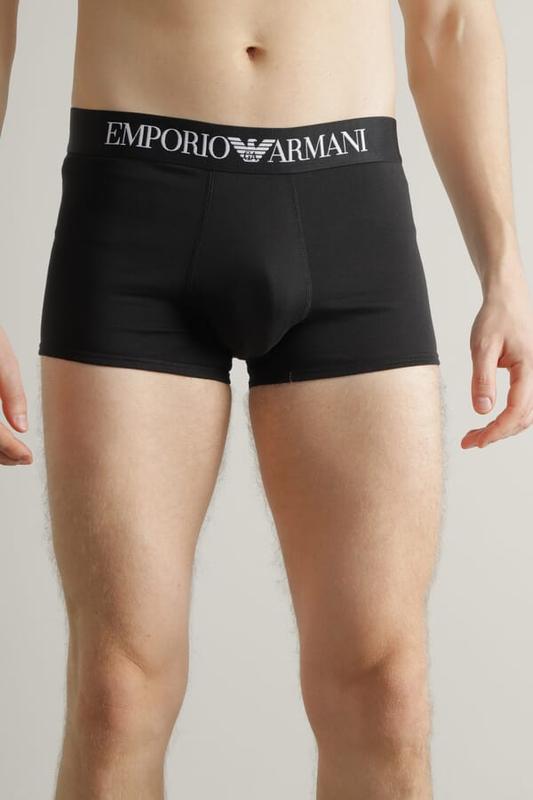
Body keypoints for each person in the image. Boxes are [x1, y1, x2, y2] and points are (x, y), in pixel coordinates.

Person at [1, 1, 532, 798]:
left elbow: (450, 19)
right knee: (117, 694)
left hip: (347, 205)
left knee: (384, 692)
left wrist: (503, 269)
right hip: (135, 197)